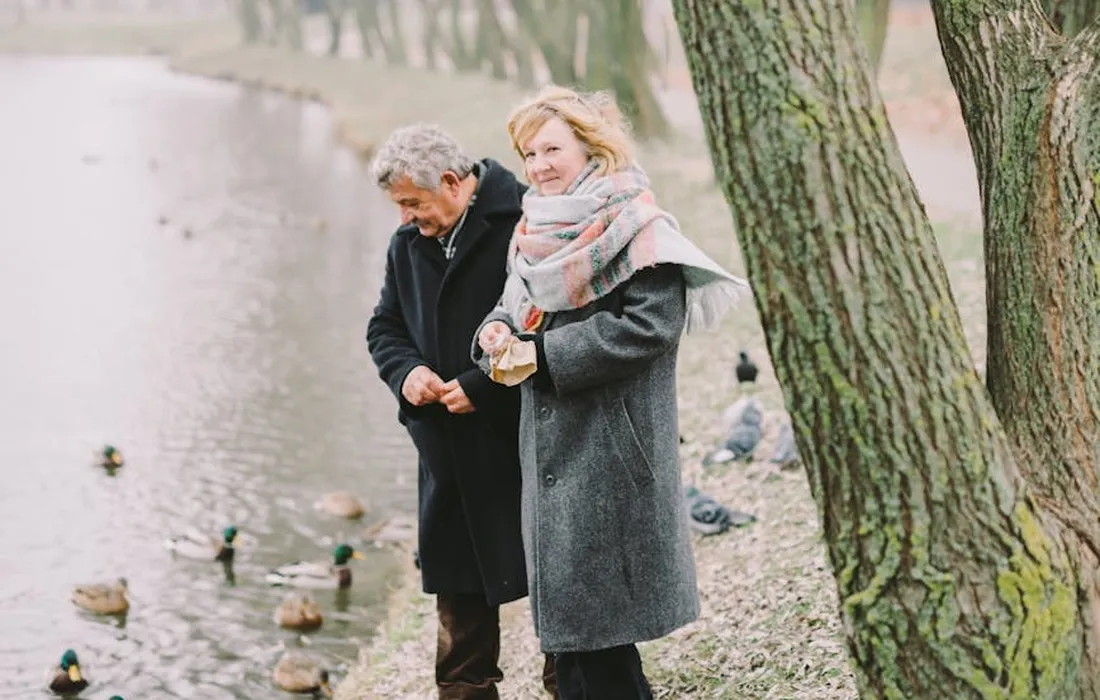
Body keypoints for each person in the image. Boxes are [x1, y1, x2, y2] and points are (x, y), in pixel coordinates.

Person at [474, 86, 749, 699]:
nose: (538, 165)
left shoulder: (638, 225)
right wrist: (495, 330)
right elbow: (516, 305)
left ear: (590, 146)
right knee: (574, 646)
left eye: (552, 148)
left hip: (610, 454)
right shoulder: (535, 228)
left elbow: (652, 325)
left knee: (604, 650)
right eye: (528, 153)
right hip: (548, 449)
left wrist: (543, 355)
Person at [367, 124, 556, 699]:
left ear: (451, 182)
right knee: (460, 620)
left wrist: (484, 384)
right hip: (446, 454)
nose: (404, 218)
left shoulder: (527, 223)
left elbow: (553, 325)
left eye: (411, 203)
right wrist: (408, 375)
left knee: (559, 593)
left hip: (524, 444)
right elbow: (385, 327)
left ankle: (577, 689)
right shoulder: (408, 245)